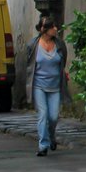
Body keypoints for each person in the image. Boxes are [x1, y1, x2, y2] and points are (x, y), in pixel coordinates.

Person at [26, 16, 69, 157]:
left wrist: (64, 73)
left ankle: (51, 137)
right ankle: (43, 145)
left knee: (53, 117)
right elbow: (29, 65)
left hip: (55, 86)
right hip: (39, 85)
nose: (56, 29)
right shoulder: (33, 45)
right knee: (43, 115)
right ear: (44, 30)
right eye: (52, 27)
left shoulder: (60, 44)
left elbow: (63, 61)